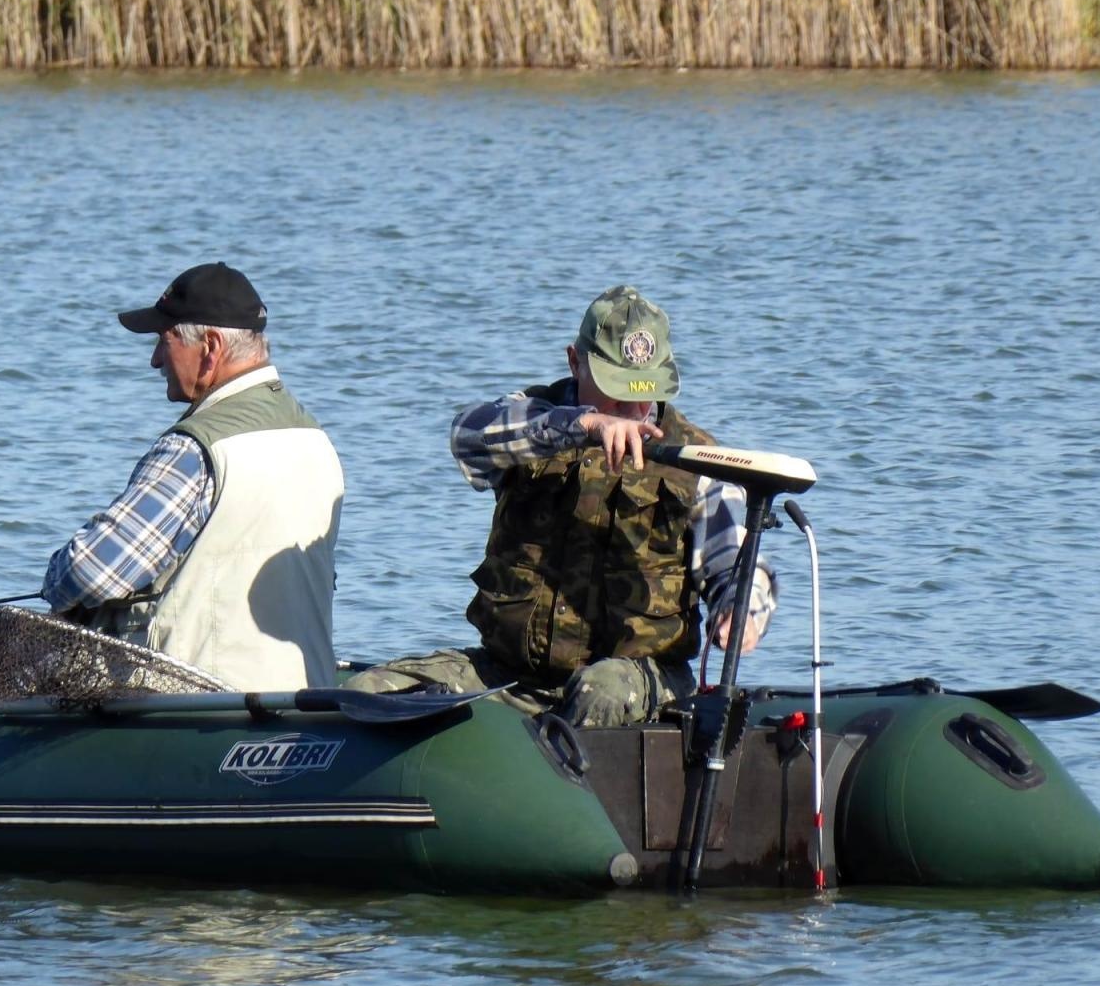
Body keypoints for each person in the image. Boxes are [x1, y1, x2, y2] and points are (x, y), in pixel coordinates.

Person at [346, 285, 776, 727]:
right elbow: (467, 435)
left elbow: (739, 566)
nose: (630, 409)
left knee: (599, 691)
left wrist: (742, 611)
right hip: (511, 676)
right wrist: (581, 425)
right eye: (615, 392)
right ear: (575, 361)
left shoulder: (696, 457)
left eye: (643, 393)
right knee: (369, 693)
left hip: (640, 677)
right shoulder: (532, 419)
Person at [41, 262, 344, 692]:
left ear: (211, 346)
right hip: (306, 695)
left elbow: (90, 572)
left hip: (199, 708)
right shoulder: (314, 439)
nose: (155, 360)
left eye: (164, 342)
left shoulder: (193, 450)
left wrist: (52, 578)